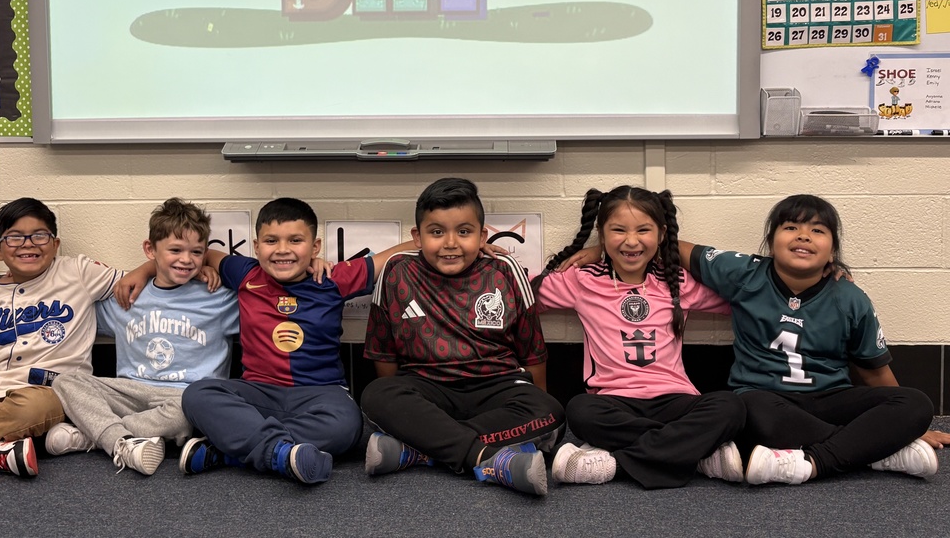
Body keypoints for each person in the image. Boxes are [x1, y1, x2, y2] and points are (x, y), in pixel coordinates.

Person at [686, 194, 948, 485]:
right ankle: (875, 453)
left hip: (830, 399)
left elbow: (875, 372)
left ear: (832, 252)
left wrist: (912, 425)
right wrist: (892, 435)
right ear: (771, 242)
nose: (804, 236)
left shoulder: (850, 298)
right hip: (765, 398)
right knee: (746, 411)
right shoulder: (745, 274)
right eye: (790, 227)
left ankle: (811, 462)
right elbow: (676, 249)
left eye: (818, 230)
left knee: (916, 403)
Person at [160, 197, 409, 485]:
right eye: (271, 241)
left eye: (295, 241)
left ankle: (229, 451)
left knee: (348, 426)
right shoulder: (245, 273)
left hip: (320, 393)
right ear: (256, 247)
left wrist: (464, 241)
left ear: (315, 247)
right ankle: (280, 453)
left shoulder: (332, 278)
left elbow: (397, 255)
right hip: (258, 393)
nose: (282, 250)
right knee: (197, 395)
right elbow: (200, 253)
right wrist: (153, 271)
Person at [359, 177, 565, 497]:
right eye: (437, 232)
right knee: (376, 395)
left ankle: (420, 449)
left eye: (464, 232)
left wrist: (536, 399)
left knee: (550, 411)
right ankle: (483, 458)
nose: (451, 243)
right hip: (427, 388)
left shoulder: (504, 269)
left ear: (483, 236)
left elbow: (532, 350)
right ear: (418, 236)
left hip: (497, 386)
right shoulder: (397, 270)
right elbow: (383, 352)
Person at [533, 186, 745, 489]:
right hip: (612, 401)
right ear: (602, 234)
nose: (631, 241)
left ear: (660, 235)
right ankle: (696, 453)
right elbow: (520, 295)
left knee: (731, 407)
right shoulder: (583, 280)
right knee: (580, 411)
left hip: (676, 399)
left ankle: (615, 463)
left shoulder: (677, 282)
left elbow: (746, 299)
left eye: (643, 230)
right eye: (618, 231)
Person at [0, 197, 128, 482]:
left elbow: (135, 280)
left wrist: (205, 262)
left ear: (55, 244)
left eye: (39, 235)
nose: (28, 244)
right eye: (14, 237)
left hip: (52, 390)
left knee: (32, 407)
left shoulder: (78, 272)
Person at [46, 197, 239, 475]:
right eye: (175, 250)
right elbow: (74, 314)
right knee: (66, 382)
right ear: (150, 250)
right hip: (130, 391)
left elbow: (262, 305)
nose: (186, 260)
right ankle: (125, 438)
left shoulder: (217, 297)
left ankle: (95, 437)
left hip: (186, 397)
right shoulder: (127, 294)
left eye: (196, 252)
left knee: (196, 411)